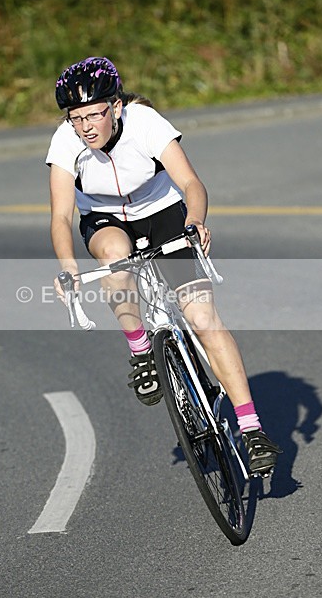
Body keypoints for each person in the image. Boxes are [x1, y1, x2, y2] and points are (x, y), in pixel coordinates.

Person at [45, 56, 281, 476]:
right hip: (105, 218)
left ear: (115, 107)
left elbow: (191, 183)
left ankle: (251, 428)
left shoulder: (145, 122)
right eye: (76, 118)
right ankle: (140, 347)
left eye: (94, 115)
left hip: (163, 211)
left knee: (203, 317)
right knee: (114, 257)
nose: (85, 127)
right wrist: (67, 267)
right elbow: (62, 214)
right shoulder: (65, 141)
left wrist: (195, 223)